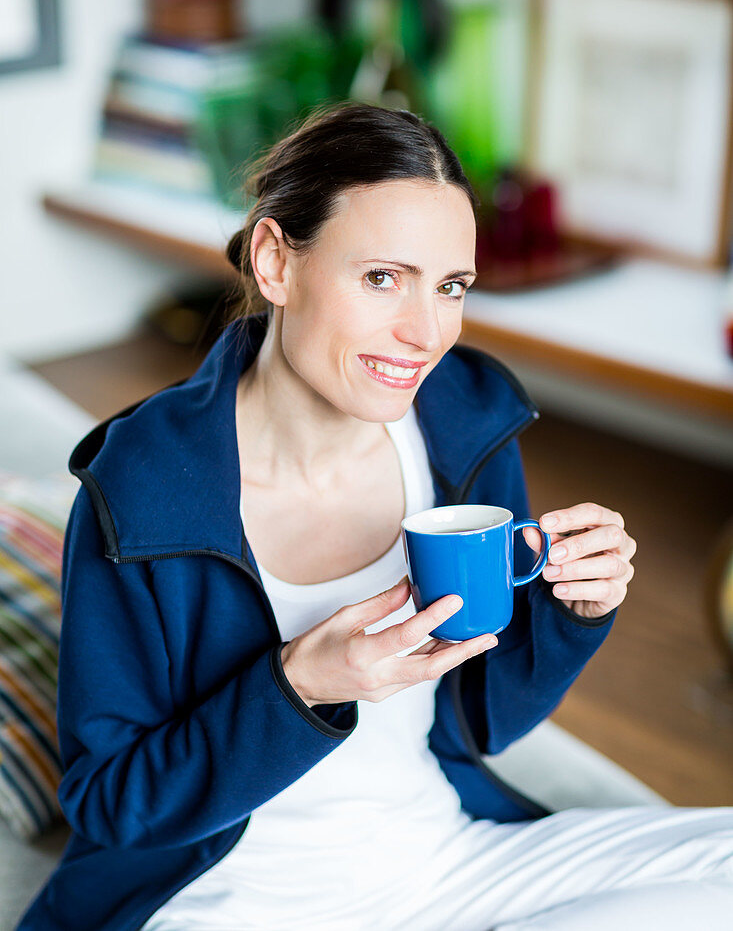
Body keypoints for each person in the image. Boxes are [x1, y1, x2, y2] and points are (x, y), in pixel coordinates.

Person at [18, 104, 732, 931]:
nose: (425, 333)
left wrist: (573, 614)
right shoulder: (140, 486)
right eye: (382, 278)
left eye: (451, 286)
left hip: (441, 863)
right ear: (276, 261)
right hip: (229, 903)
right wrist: (300, 684)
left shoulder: (463, 421)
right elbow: (113, 803)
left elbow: (483, 717)